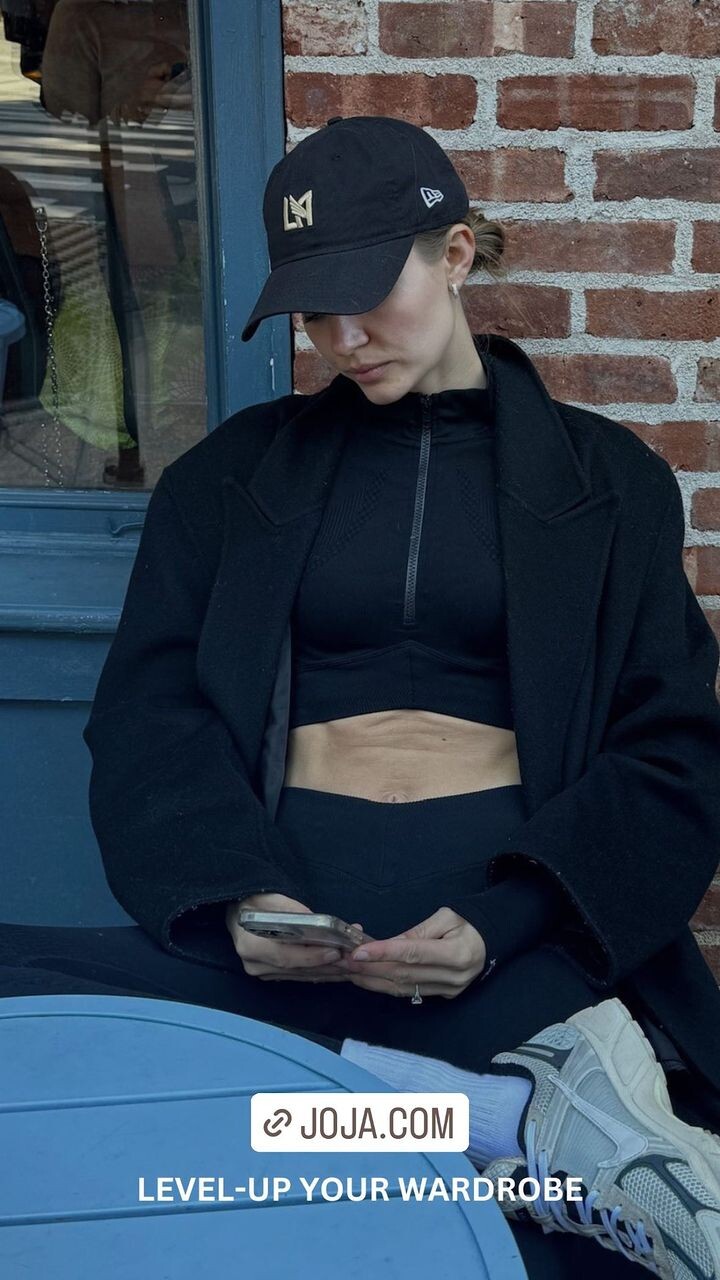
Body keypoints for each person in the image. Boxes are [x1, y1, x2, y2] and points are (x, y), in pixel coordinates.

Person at [2, 114, 720, 1279]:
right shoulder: (229, 480)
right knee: (54, 1043)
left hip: (508, 931)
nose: (340, 338)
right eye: (312, 313)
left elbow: (672, 745)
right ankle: (492, 1122)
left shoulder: (610, 484)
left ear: (456, 255)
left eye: (365, 295)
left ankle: (485, 1105)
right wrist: (236, 898)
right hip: (285, 924)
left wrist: (504, 921)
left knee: (294, 1149)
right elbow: (150, 713)